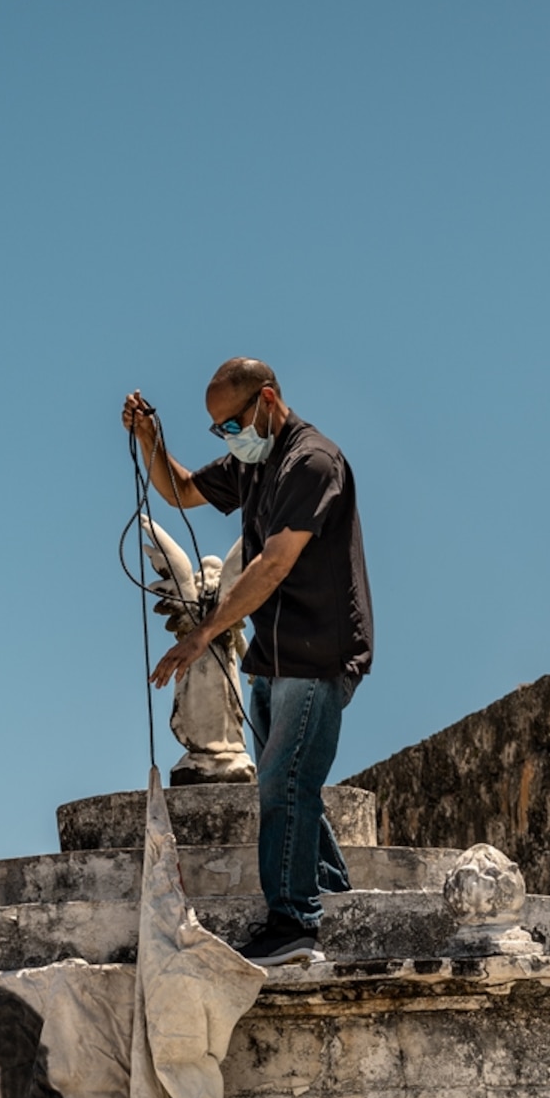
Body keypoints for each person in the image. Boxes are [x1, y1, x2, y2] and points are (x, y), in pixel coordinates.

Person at [121, 359, 373, 968]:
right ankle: (335, 897)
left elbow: (273, 563)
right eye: (218, 431)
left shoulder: (310, 462)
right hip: (274, 657)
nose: (229, 437)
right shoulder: (253, 464)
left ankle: (294, 924)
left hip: (318, 656)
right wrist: (152, 443)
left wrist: (203, 632)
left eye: (231, 423)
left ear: (266, 401)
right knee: (283, 783)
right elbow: (182, 490)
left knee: (287, 781)